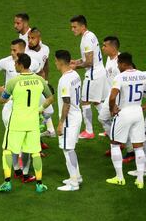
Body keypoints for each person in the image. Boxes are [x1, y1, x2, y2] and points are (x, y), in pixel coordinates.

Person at [0, 53, 54, 193]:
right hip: (32, 122)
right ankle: (39, 184)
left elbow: (2, 100)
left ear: (21, 65)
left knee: (8, 150)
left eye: (16, 63)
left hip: (16, 122)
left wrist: (6, 95)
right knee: (35, 152)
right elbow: (50, 98)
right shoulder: (39, 80)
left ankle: (7, 182)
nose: (14, 65)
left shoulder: (13, 82)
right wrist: (39, 110)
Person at [0, 39, 39, 183]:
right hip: (10, 107)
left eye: (15, 50)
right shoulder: (6, 62)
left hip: (25, 108)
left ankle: (20, 170)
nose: (12, 53)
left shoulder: (32, 63)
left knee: (22, 140)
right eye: (11, 50)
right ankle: (19, 170)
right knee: (15, 141)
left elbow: (39, 79)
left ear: (23, 50)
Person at [107, 52, 146, 189]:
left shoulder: (120, 77)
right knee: (138, 147)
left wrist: (112, 108)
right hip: (138, 113)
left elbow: (112, 97)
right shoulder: (142, 75)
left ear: (124, 64)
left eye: (119, 63)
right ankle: (140, 179)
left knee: (114, 144)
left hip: (124, 113)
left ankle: (119, 177)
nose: (118, 66)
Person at [70, 15, 106, 139]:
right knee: (97, 101)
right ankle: (110, 127)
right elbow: (89, 57)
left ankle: (89, 131)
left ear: (83, 26)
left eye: (75, 27)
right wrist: (77, 61)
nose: (72, 29)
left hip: (93, 74)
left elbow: (89, 62)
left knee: (85, 101)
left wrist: (76, 67)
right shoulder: (91, 35)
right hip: (100, 72)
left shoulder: (86, 39)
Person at [55, 50, 83, 191]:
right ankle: (76, 176)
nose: (55, 63)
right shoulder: (75, 74)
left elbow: (66, 102)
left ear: (60, 62)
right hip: (77, 114)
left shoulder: (64, 80)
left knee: (68, 149)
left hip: (69, 119)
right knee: (70, 148)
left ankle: (74, 184)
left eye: (55, 61)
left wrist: (61, 123)